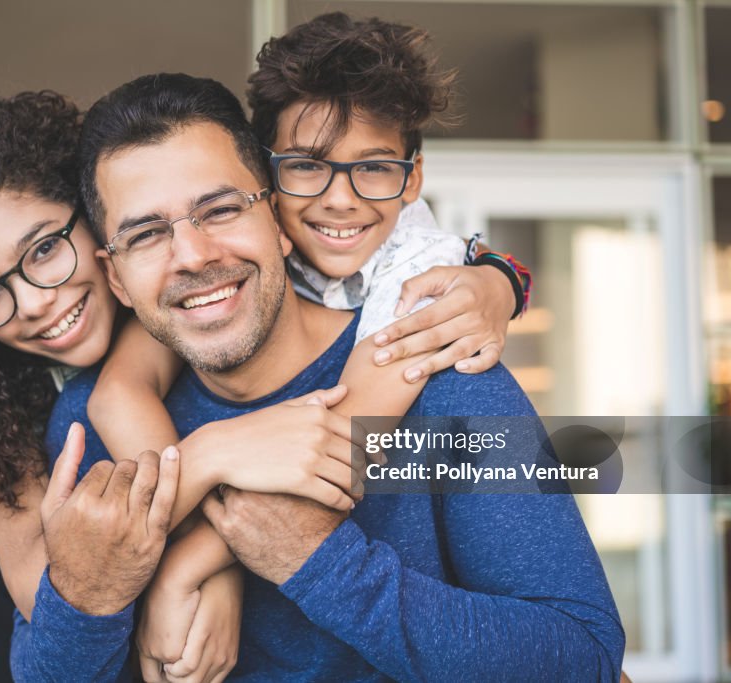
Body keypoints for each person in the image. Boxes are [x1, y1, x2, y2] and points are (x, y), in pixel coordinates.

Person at [0, 88, 520, 681]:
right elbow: (57, 600)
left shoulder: (183, 318)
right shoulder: (22, 428)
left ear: (93, 225)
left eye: (45, 249)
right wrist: (213, 469)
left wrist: (498, 278)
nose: (33, 300)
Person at [11, 72, 625, 682]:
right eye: (145, 235)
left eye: (221, 209)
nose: (193, 256)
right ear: (116, 277)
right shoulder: (86, 428)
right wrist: (92, 590)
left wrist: (321, 561)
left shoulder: (444, 371)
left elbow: (584, 657)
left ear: (277, 220)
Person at [87, 13, 532, 670]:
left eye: (375, 168)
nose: (340, 200)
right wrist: (211, 455)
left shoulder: (416, 270)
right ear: (268, 178)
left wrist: (189, 567)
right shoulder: (231, 254)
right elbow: (118, 390)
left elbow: (341, 443)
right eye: (305, 167)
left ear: (412, 179)